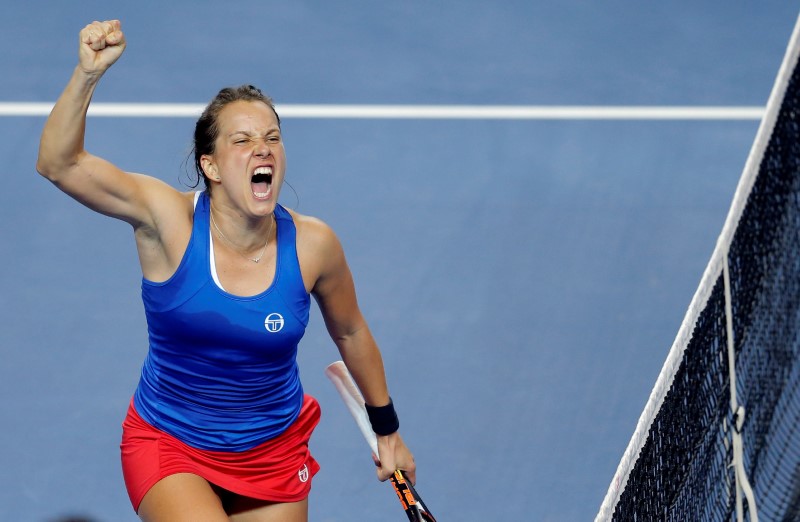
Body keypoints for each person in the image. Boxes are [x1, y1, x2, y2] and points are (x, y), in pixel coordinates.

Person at [36, 19, 416, 522]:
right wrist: (87, 75)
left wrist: (388, 431)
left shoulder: (313, 245)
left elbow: (349, 330)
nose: (263, 148)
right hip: (171, 443)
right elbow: (59, 164)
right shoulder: (165, 219)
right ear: (211, 166)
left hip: (272, 451)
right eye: (242, 140)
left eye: (272, 137)